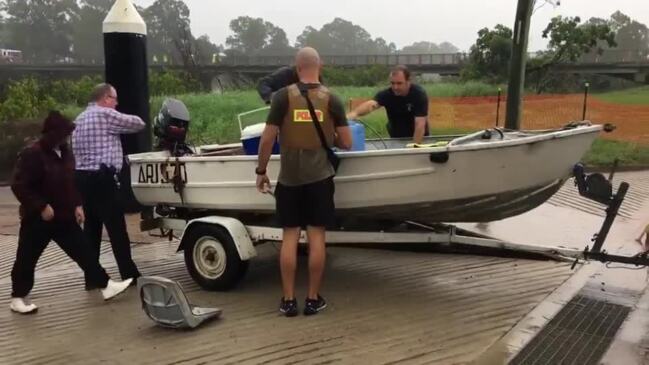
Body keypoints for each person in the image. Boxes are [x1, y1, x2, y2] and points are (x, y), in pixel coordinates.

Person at [256, 47, 352, 317]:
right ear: (319, 66)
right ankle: (312, 299)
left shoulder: (281, 98)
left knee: (289, 236)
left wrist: (261, 171)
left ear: (296, 68)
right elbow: (346, 143)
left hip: (289, 179)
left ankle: (287, 300)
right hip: (319, 178)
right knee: (316, 236)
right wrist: (325, 132)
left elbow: (266, 139)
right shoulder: (332, 98)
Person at [9, 111, 133, 314]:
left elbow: (70, 182)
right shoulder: (33, 154)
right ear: (52, 134)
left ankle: (105, 285)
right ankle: (18, 297)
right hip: (38, 218)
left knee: (84, 251)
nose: (67, 138)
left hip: (64, 215)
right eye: (63, 134)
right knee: (27, 257)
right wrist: (40, 206)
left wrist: (77, 204)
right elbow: (19, 185)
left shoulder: (65, 152)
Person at [72, 83, 145, 289]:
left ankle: (92, 277)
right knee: (116, 229)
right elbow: (138, 123)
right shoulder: (105, 115)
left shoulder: (78, 119)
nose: (116, 103)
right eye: (114, 99)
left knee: (91, 230)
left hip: (82, 180)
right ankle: (129, 274)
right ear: (105, 98)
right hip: (103, 180)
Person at [346, 65, 429, 144]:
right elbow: (371, 104)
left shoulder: (418, 94)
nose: (395, 87)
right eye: (392, 83)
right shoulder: (387, 94)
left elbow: (420, 125)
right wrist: (353, 114)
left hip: (419, 138)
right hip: (396, 138)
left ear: (408, 81)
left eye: (399, 83)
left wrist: (413, 148)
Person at [257, 65, 323, 105]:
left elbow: (323, 94)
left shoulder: (316, 76)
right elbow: (263, 83)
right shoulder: (284, 74)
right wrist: (270, 96)